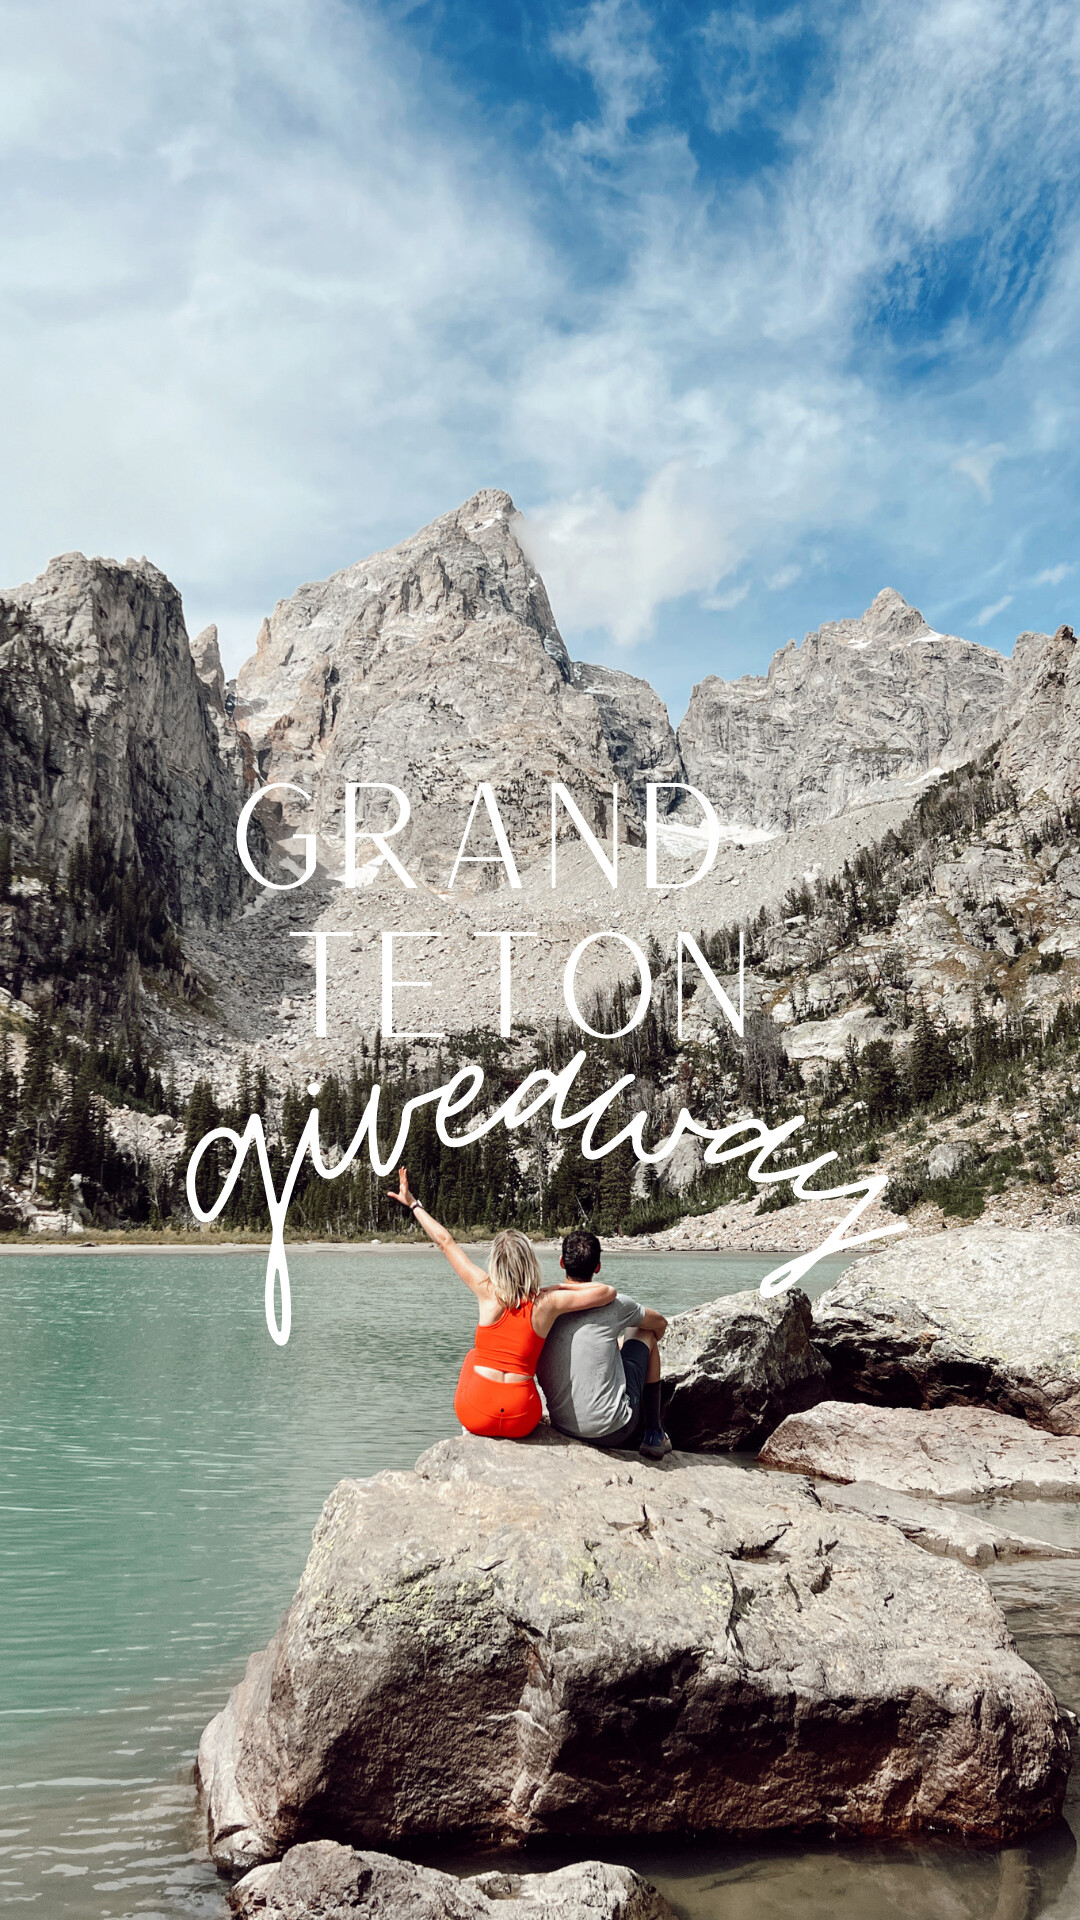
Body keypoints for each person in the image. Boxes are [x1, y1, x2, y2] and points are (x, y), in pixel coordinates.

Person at [386, 1167, 616, 1439]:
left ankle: (470, 1436)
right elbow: (607, 1291)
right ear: (530, 1262)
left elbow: (445, 1242)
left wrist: (413, 1204)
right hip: (522, 1417)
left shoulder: (485, 1290)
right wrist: (546, 1289)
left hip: (478, 1413)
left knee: (473, 1356)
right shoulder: (548, 1302)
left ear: (496, 1262)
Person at [536, 1229, 671, 1459]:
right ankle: (653, 1434)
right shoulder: (615, 1304)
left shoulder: (544, 1306)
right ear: (597, 1267)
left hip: (562, 1425)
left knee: (613, 1345)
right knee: (643, 1331)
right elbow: (660, 1322)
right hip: (614, 1431)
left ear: (561, 1262)